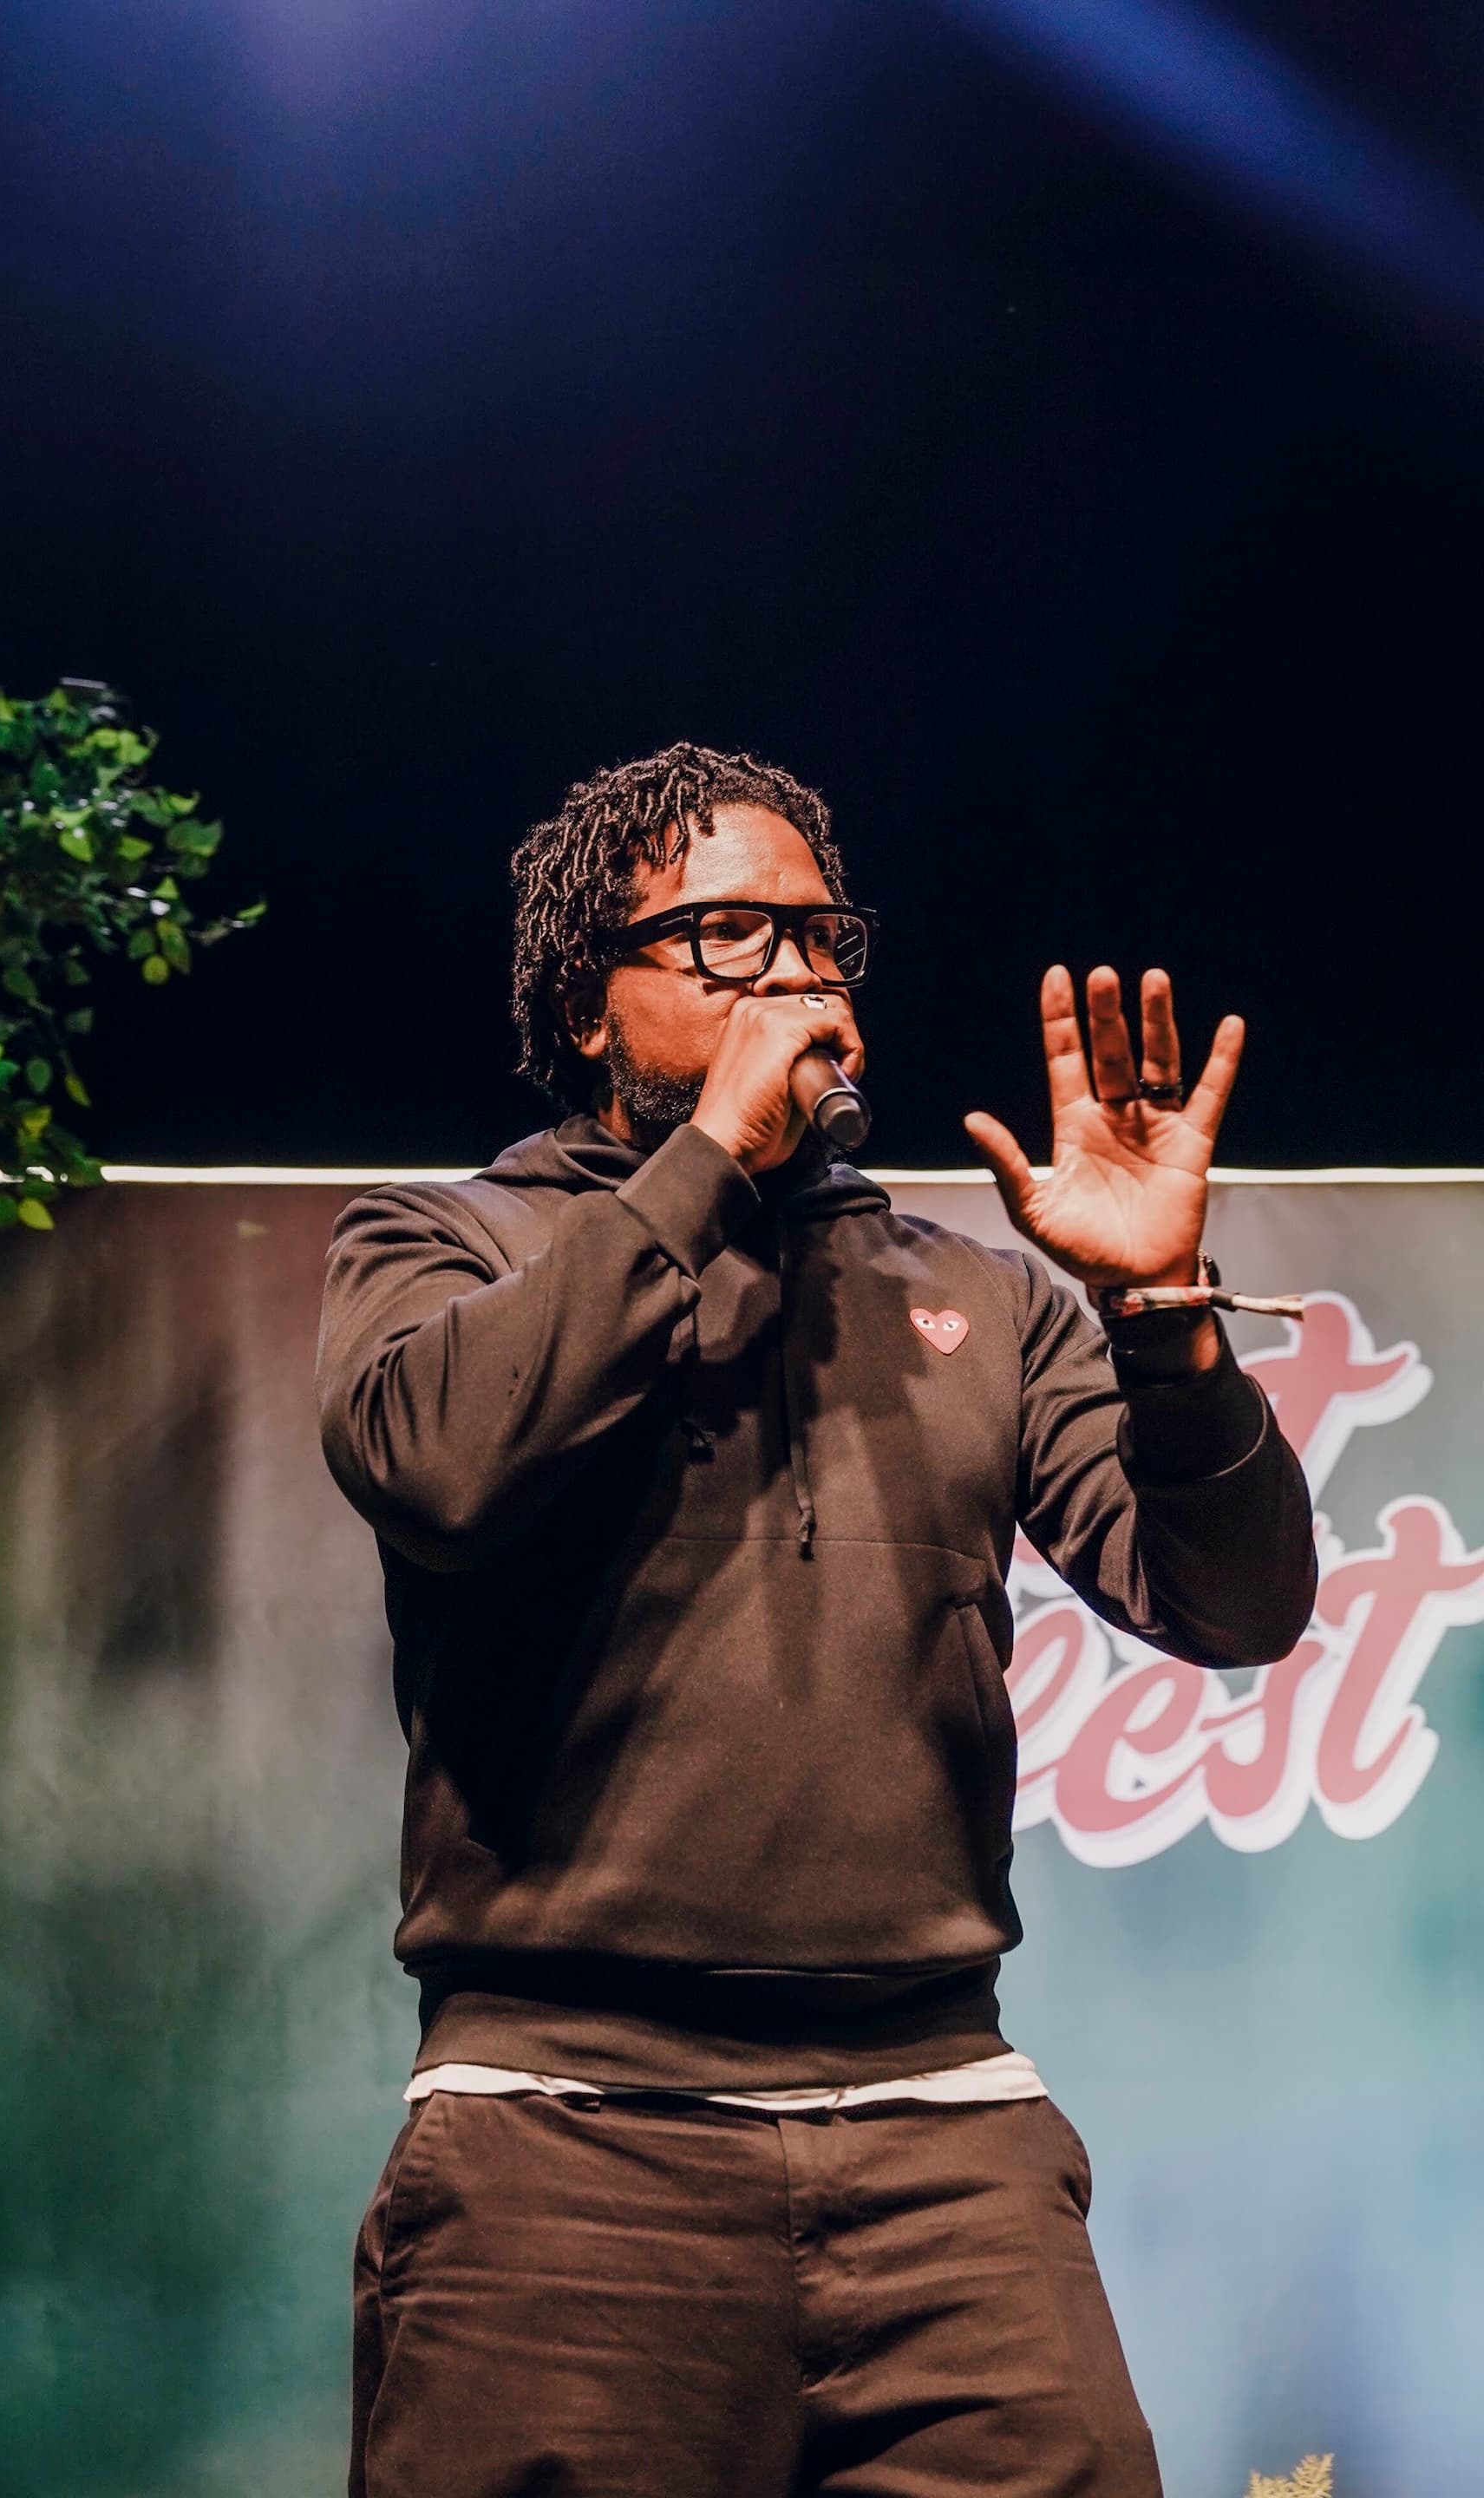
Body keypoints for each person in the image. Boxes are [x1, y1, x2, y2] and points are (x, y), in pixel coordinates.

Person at [317, 742, 1315, 2498]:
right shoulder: (448, 1242)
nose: (789, 973)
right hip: (566, 2144)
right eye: (723, 935)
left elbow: (1234, 1604)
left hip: (943, 2142)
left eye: (815, 934)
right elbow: (440, 1469)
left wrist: (1163, 1314)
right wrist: (711, 1156)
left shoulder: (977, 1296)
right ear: (589, 1005)